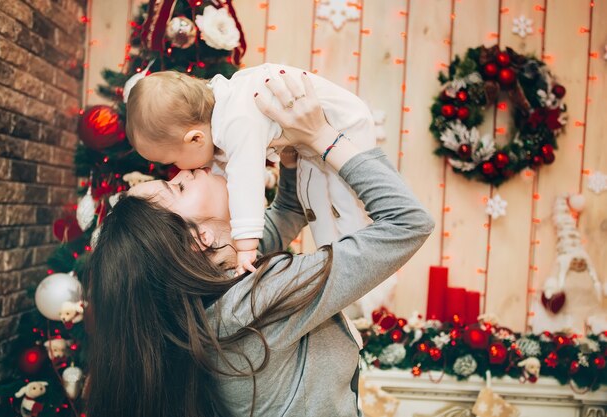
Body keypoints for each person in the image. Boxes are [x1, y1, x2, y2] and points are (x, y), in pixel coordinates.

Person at [83, 72, 435, 417]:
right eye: (177, 188)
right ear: (199, 239)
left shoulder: (219, 286)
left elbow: (287, 211)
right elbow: (408, 223)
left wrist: (291, 154)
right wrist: (322, 135)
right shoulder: (261, 297)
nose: (184, 173)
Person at [125, 63, 376, 275]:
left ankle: (360, 268)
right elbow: (232, 182)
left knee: (345, 210)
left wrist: (246, 246)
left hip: (344, 127)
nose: (182, 172)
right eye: (177, 184)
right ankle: (349, 269)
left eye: (172, 164)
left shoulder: (235, 119)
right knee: (319, 211)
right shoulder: (219, 116)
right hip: (317, 145)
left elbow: (245, 181)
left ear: (196, 139)